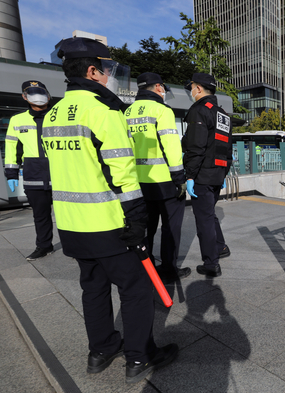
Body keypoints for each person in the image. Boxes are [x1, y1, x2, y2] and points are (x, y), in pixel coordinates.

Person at [41, 37, 177, 384]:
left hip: (71, 224)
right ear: (91, 70)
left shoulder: (53, 112)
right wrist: (136, 218)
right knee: (136, 288)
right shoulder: (103, 111)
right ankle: (139, 357)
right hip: (108, 223)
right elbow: (123, 171)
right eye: (106, 69)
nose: (109, 76)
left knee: (93, 288)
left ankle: (100, 351)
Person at [125, 72, 189, 284]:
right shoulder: (162, 110)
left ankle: (146, 264)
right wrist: (179, 177)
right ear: (159, 87)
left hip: (137, 182)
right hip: (164, 182)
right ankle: (169, 270)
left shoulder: (126, 113)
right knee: (171, 226)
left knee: (146, 226)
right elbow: (171, 145)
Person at [183, 73, 233, 277]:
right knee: (209, 214)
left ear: (199, 89)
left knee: (203, 219)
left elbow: (196, 147)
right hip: (217, 173)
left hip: (202, 174)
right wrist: (223, 173)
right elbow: (226, 147)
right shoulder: (222, 113)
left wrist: (190, 175)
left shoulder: (199, 110)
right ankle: (220, 247)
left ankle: (211, 264)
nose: (191, 91)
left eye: (192, 87)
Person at [4, 81, 54, 260]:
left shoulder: (58, 116)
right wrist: (11, 173)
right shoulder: (17, 120)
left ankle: (74, 246)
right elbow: (12, 148)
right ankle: (44, 246)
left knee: (68, 215)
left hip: (60, 173)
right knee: (40, 216)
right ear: (24, 97)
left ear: (48, 96)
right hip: (34, 175)